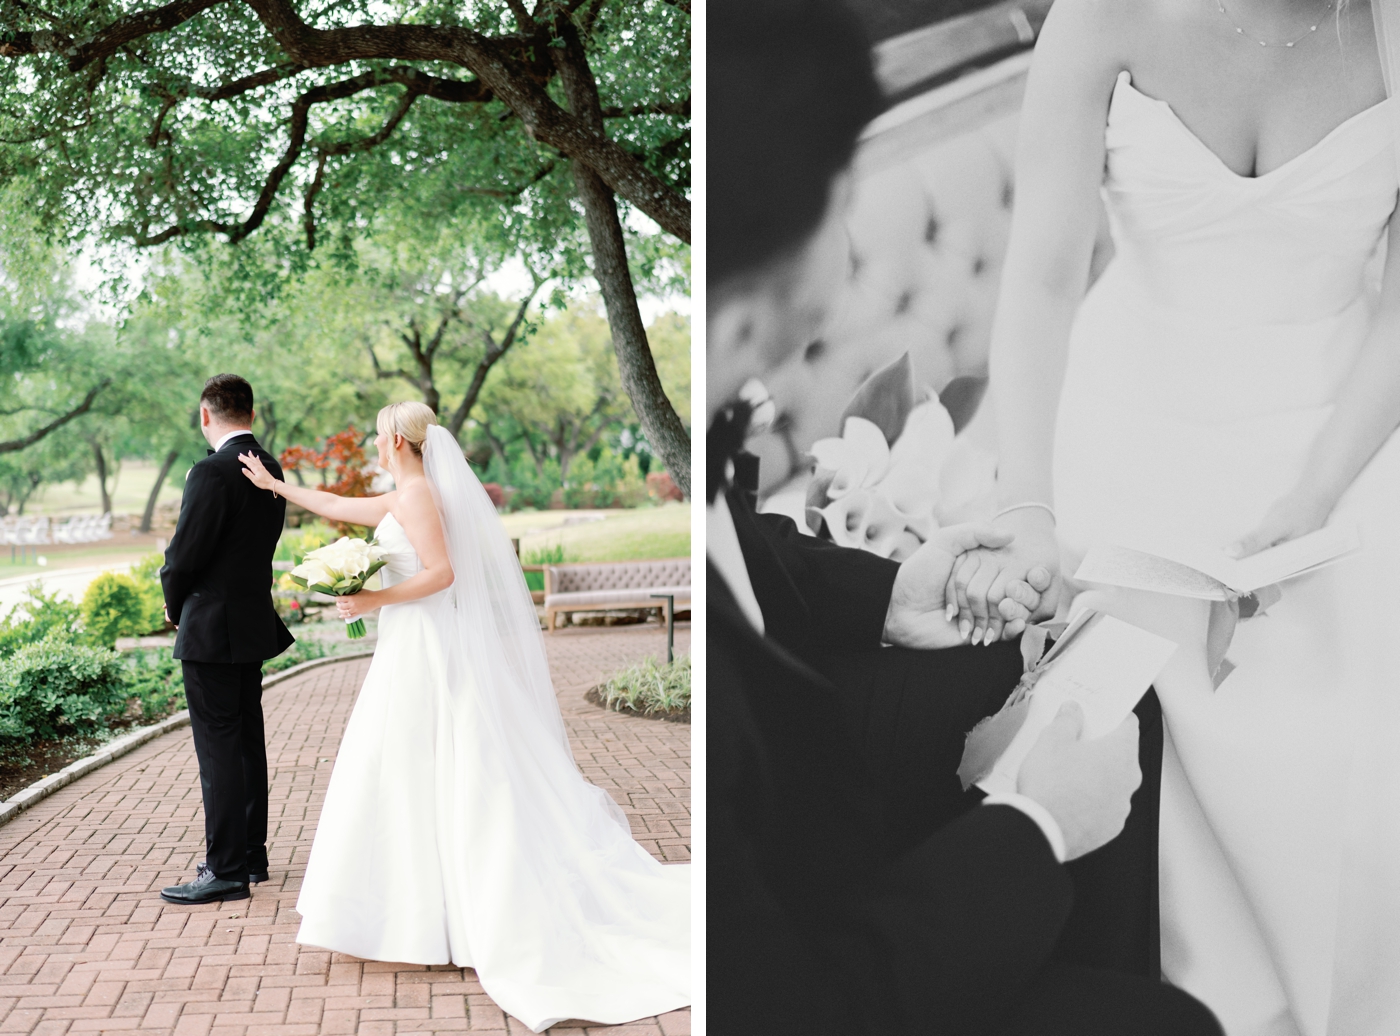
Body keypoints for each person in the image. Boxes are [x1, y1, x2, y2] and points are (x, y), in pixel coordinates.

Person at [708, 0, 1222, 1033]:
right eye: (840, 192)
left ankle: (1095, 973)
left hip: (805, 697)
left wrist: (891, 590)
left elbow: (747, 549)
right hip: (782, 933)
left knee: (1103, 677)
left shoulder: (716, 394)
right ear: (753, 303)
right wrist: (1033, 827)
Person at [946, 0, 1400, 1029]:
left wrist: (1316, 492)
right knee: (1111, 707)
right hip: (1121, 426)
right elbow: (1044, 274)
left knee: (1348, 746)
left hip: (1344, 437)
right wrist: (1028, 503)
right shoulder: (1099, 18)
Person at [236, 402, 688, 1033]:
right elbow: (339, 506)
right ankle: (417, 913)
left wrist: (373, 597)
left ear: (396, 438)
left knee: (444, 766)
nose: (371, 439)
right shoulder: (405, 493)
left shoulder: (418, 497)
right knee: (404, 770)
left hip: (428, 648)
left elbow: (442, 574)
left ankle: (450, 915)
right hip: (408, 645)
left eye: (376, 432)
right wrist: (276, 486)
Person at [158, 373, 295, 905]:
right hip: (250, 623)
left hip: (211, 629)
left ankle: (225, 870)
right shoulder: (271, 469)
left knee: (218, 751)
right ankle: (250, 856)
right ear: (253, 416)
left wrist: (173, 600)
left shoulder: (210, 472)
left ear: (205, 416)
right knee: (245, 744)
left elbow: (183, 555)